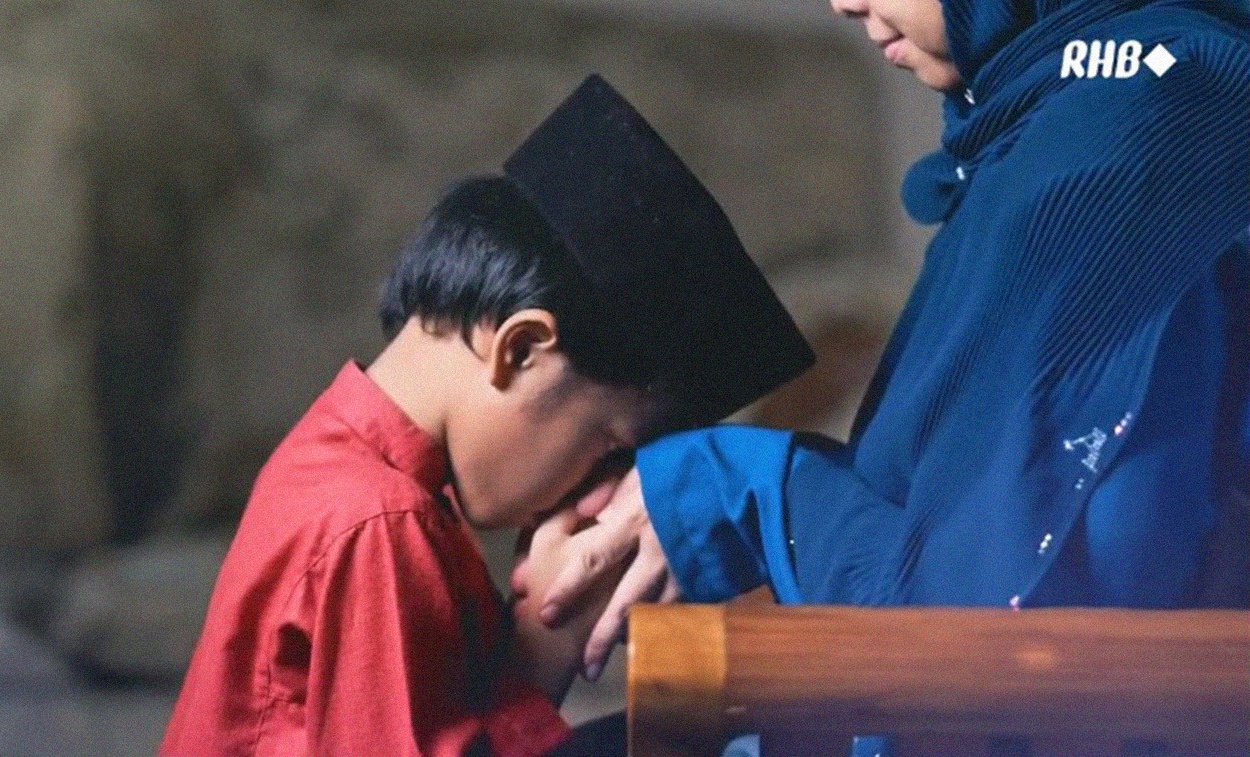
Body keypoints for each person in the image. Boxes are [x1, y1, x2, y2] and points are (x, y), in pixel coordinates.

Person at [526, 0, 1250, 683]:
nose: (842, 4)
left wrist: (730, 491)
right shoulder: (1049, 126)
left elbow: (977, 635)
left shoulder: (1140, 132)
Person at [158, 75, 812, 757]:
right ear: (520, 349)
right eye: (604, 446)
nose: (589, 492)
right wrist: (550, 633)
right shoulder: (378, 521)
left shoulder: (345, 464)